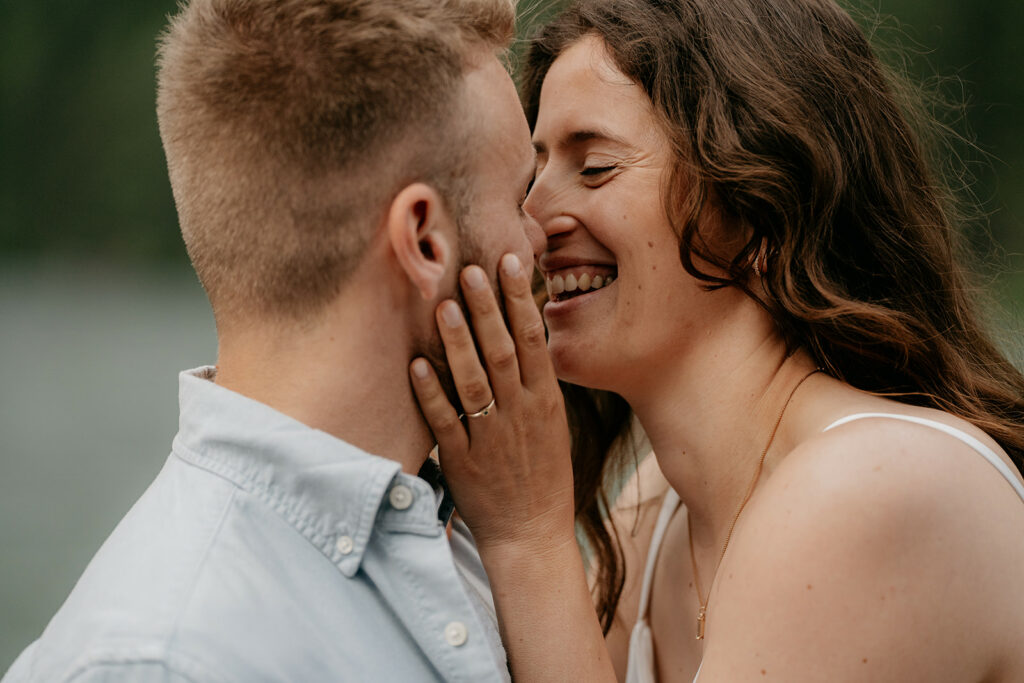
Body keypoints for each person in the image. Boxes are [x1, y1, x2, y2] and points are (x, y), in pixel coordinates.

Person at [409, 0, 1024, 681]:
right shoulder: (656, 513)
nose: (529, 224)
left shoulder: (870, 488)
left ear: (762, 209)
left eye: (595, 168)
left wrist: (529, 537)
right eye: (532, 174)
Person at [2, 0, 541, 680]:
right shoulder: (165, 661)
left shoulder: (461, 534)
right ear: (425, 240)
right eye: (521, 197)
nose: (543, 235)